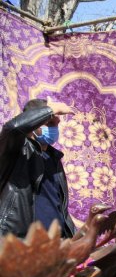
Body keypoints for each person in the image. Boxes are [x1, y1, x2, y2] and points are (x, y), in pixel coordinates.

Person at [0, 98, 76, 238]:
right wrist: (50, 110)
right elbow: (13, 128)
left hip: (54, 245)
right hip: (20, 244)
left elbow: (59, 207)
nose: (54, 129)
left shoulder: (54, 158)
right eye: (49, 123)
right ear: (33, 124)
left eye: (56, 124)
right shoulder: (16, 151)